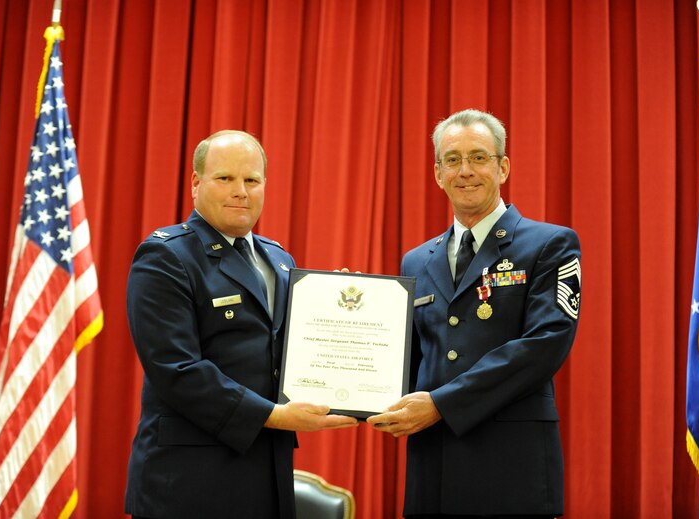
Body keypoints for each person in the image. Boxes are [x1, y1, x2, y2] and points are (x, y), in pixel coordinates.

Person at [124, 130, 357, 519]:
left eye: (252, 180)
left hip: (267, 473)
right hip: (189, 481)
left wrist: (341, 315)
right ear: (196, 183)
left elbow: (293, 350)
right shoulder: (166, 256)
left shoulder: (279, 260)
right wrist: (275, 416)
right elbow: (177, 370)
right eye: (225, 178)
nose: (241, 191)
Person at [368, 109, 582, 518]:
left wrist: (441, 404)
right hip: (434, 465)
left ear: (503, 167)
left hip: (511, 466)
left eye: (479, 157)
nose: (465, 171)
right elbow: (407, 359)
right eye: (452, 160)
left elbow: (544, 346)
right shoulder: (416, 261)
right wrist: (353, 317)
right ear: (437, 173)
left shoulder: (549, 245)